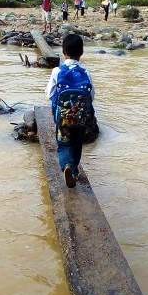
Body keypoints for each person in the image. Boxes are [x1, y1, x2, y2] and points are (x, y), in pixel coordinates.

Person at [45, 34, 95, 188]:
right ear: (81, 52)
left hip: (63, 118)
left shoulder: (57, 71)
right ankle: (74, 171)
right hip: (80, 117)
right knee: (77, 143)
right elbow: (91, 95)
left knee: (64, 143)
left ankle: (66, 166)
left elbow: (49, 94)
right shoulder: (86, 72)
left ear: (63, 52)